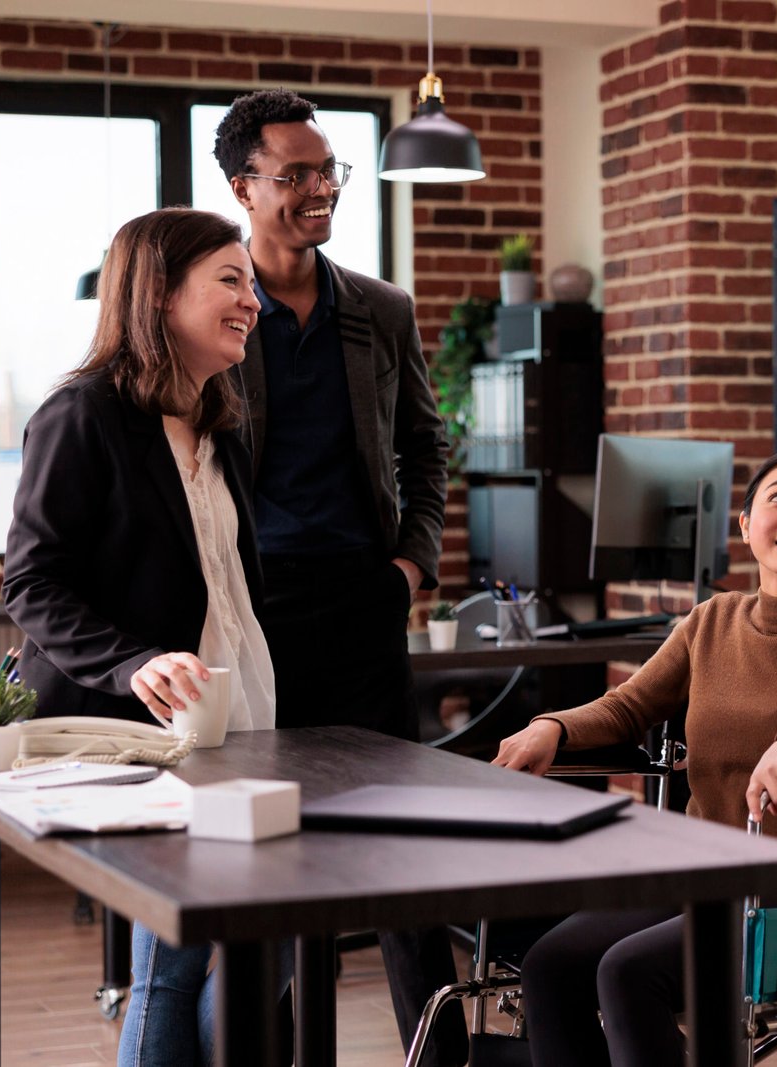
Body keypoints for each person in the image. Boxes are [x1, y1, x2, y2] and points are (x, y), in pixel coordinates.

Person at [492, 450, 777, 1067]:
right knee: (551, 965)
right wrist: (553, 726)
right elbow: (627, 707)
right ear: (746, 525)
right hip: (701, 876)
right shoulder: (711, 621)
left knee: (628, 971)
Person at [211, 89, 463, 1064]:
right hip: (253, 609)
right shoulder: (217, 306)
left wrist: (412, 563)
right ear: (243, 187)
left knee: (399, 849)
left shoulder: (379, 309)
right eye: (296, 175)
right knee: (266, 855)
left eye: (328, 171)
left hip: (364, 600)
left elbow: (425, 446)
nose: (320, 190)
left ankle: (439, 1054)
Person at [3, 207, 280, 1067]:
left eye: (252, 283)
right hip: (147, 737)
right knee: (172, 969)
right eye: (230, 280)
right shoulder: (81, 415)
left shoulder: (222, 424)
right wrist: (134, 662)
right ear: (159, 294)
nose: (253, 301)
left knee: (264, 953)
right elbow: (30, 583)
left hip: (242, 723)